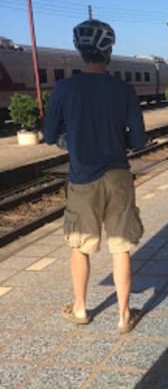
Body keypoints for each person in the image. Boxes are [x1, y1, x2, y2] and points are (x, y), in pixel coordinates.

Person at [44, 19, 146, 333]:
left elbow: (48, 135)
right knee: (121, 247)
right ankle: (124, 316)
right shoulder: (124, 89)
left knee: (80, 246)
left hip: (82, 177)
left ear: (80, 50)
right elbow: (139, 140)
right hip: (118, 176)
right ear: (109, 51)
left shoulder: (64, 88)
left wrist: (69, 138)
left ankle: (79, 309)